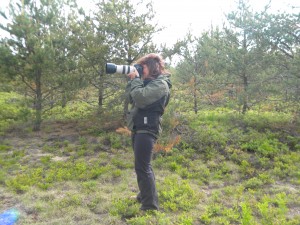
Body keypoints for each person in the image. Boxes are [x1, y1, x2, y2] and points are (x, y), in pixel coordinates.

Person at [125, 53, 172, 211]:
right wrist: (133, 80)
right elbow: (132, 98)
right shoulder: (147, 82)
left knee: (143, 167)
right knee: (141, 165)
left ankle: (150, 206)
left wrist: (136, 80)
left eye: (142, 66)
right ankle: (143, 196)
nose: (139, 69)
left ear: (151, 67)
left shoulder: (161, 85)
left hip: (148, 128)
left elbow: (141, 98)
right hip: (139, 127)